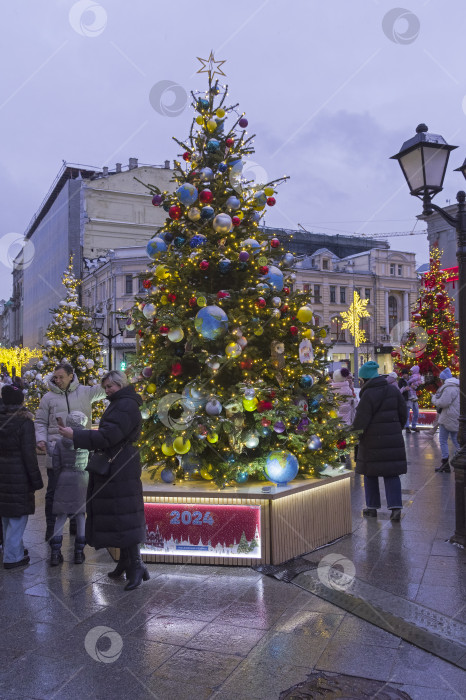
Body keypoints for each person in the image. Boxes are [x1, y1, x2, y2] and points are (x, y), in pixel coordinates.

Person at [58, 370, 148, 591]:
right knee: (119, 515)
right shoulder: (120, 402)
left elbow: (109, 436)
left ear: (121, 384)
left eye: (111, 386)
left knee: (124, 515)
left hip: (120, 468)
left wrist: (76, 435)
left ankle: (136, 566)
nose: (107, 390)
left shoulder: (125, 405)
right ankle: (127, 562)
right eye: (105, 387)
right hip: (117, 466)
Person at [35, 363, 106, 542]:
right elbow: (41, 421)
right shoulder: (48, 397)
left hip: (81, 455)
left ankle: (76, 526)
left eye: (61, 377)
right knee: (52, 492)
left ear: (70, 375)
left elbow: (105, 389)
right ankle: (51, 528)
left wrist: (124, 375)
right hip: (57, 452)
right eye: (55, 377)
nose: (57, 380)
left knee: (81, 491)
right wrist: (41, 439)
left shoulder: (85, 392)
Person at [352, 361, 408, 522]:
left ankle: (372, 508)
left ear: (365, 379)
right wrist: (396, 429)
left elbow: (361, 421)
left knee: (370, 474)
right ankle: (395, 508)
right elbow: (403, 412)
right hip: (392, 439)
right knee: (392, 474)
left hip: (371, 442)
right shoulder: (393, 390)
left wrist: (355, 436)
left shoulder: (367, 395)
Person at [0, 384, 43, 569]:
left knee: (6, 517)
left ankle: (13, 550)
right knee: (18, 519)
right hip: (18, 476)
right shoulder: (25, 423)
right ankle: (12, 557)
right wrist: (36, 480)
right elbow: (28, 455)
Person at [49, 411, 89, 566]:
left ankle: (55, 553)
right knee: (80, 516)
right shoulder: (86, 442)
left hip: (64, 478)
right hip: (82, 479)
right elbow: (91, 460)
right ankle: (79, 553)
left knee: (60, 516)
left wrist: (61, 476)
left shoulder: (60, 443)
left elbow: (56, 465)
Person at [432, 368, 460, 473]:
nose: (440, 381)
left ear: (444, 379)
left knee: (443, 440)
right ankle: (461, 460)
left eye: (441, 379)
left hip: (447, 418)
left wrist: (434, 399)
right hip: (455, 417)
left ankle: (445, 464)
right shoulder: (457, 386)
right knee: (456, 440)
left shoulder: (448, 388)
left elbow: (443, 403)